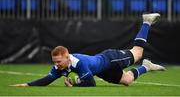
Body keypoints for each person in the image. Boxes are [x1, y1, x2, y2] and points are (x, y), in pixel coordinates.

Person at [12, 13, 166, 87]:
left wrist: (74, 84)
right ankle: (146, 66)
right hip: (103, 70)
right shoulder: (61, 65)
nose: (56, 65)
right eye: (55, 62)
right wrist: (27, 85)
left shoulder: (78, 63)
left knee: (137, 52)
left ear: (67, 56)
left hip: (110, 59)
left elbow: (91, 83)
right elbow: (48, 79)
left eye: (58, 61)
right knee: (127, 81)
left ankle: (146, 21)